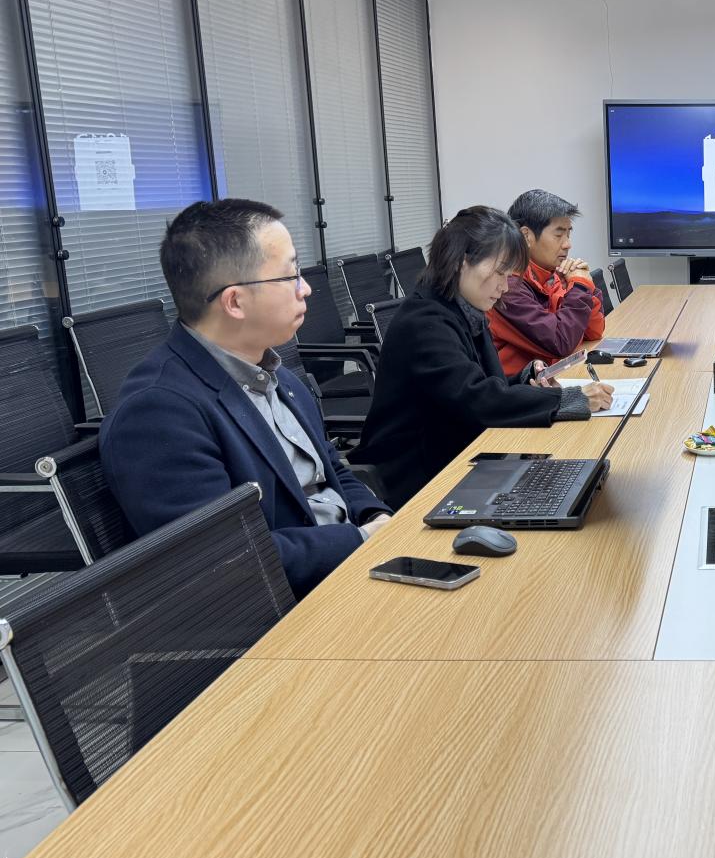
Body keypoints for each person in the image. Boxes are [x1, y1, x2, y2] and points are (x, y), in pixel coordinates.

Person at [99, 198, 391, 598]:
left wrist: (378, 518)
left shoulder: (274, 373)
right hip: (289, 607)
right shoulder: (159, 413)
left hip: (349, 568)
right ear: (235, 301)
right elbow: (224, 559)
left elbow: (332, 470)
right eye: (291, 275)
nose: (305, 288)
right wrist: (361, 540)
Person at [352, 206, 613, 509]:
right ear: (461, 262)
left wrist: (526, 378)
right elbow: (477, 401)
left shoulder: (463, 308)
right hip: (419, 479)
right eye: (500, 273)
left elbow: (479, 385)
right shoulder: (424, 322)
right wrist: (572, 399)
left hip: (462, 457)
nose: (505, 286)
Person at [489, 189, 606, 376]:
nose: (567, 244)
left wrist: (583, 285)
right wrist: (580, 286)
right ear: (526, 236)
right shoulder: (507, 287)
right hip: (517, 389)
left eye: (568, 234)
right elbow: (561, 342)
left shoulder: (552, 275)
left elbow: (593, 332)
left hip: (549, 379)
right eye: (559, 235)